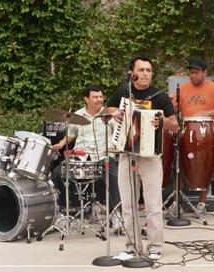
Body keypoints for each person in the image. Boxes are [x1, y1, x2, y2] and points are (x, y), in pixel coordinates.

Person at [107, 55, 179, 260]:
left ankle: (155, 245)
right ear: (132, 74)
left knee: (153, 203)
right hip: (125, 154)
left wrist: (163, 120)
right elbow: (108, 110)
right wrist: (117, 113)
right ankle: (131, 246)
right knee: (128, 204)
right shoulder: (123, 93)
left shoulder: (160, 97)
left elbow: (176, 126)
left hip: (150, 157)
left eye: (149, 70)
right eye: (142, 70)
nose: (146, 74)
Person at [52, 85, 121, 228]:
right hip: (81, 157)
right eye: (95, 97)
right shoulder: (77, 115)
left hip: (103, 156)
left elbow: (119, 133)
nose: (99, 100)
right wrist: (60, 144)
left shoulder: (108, 115)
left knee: (114, 175)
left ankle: (115, 214)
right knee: (57, 173)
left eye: (101, 97)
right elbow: (71, 135)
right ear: (86, 99)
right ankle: (63, 211)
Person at [168, 58, 214, 219]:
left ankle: (201, 204)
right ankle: (176, 203)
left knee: (205, 171)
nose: (193, 76)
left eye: (196, 72)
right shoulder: (182, 88)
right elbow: (173, 109)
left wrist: (206, 113)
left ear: (205, 72)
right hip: (186, 137)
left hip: (206, 137)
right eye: (191, 73)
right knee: (178, 170)